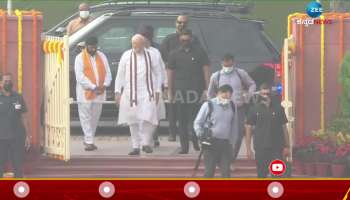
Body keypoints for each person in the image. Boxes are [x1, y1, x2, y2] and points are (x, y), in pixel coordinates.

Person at [115, 34, 162, 155]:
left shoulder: (152, 55)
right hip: (131, 93)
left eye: (138, 44)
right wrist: (117, 92)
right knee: (133, 120)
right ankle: (136, 146)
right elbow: (120, 74)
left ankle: (145, 143)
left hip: (148, 92)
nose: (135, 47)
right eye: (133, 44)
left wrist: (158, 90)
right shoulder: (126, 55)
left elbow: (158, 73)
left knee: (149, 117)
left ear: (143, 44)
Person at [167, 29, 210, 154]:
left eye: (187, 40)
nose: (185, 42)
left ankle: (196, 141)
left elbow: (206, 70)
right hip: (180, 91)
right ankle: (184, 146)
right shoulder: (174, 54)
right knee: (182, 119)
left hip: (196, 90)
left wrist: (207, 89)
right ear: (180, 39)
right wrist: (170, 91)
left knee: (197, 118)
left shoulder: (200, 52)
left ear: (191, 38)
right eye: (182, 40)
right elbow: (170, 73)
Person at [160, 14, 202, 142]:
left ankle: (191, 133)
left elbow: (200, 59)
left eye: (184, 22)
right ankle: (172, 133)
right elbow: (163, 61)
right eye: (179, 22)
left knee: (190, 108)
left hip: (190, 81)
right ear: (175, 23)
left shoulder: (194, 40)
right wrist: (167, 84)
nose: (181, 24)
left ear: (188, 24)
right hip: (174, 79)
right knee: (173, 107)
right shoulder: (169, 40)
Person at [207, 53, 256, 160]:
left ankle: (232, 158)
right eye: (225, 64)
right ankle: (224, 159)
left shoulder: (240, 73)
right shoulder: (216, 76)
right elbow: (210, 93)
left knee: (237, 136)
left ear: (233, 62)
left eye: (229, 65)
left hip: (238, 108)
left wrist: (248, 96)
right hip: (222, 109)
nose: (227, 67)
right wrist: (213, 106)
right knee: (224, 134)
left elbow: (252, 84)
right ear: (221, 63)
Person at [245, 83, 290, 178]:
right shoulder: (254, 109)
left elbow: (284, 128)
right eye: (263, 94)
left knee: (277, 174)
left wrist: (287, 146)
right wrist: (248, 149)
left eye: (267, 94)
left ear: (271, 94)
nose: (265, 96)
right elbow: (248, 129)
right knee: (262, 174)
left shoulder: (279, 108)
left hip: (277, 147)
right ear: (260, 95)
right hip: (261, 147)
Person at [74, 36, 112, 151]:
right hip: (85, 93)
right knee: (85, 117)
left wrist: (105, 85)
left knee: (95, 118)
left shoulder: (102, 56)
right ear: (86, 46)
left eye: (95, 46)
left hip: (99, 92)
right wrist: (93, 87)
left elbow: (108, 73)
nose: (93, 49)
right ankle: (89, 141)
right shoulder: (79, 58)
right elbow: (80, 77)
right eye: (91, 47)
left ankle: (89, 139)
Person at [194, 85, 239, 178]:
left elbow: (234, 126)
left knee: (226, 172)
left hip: (225, 144)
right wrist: (200, 134)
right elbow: (198, 122)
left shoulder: (232, 106)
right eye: (224, 95)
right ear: (218, 93)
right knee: (209, 172)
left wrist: (233, 143)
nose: (227, 97)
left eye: (229, 95)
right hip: (211, 143)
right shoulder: (209, 104)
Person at [139, 25, 167, 148]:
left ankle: (153, 136)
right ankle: (144, 140)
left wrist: (165, 86)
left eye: (147, 37)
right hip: (140, 89)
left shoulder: (156, 52)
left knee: (154, 114)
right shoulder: (135, 52)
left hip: (154, 89)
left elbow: (162, 70)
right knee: (142, 114)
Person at [0, 73, 30, 178]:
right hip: (1, 139)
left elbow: (24, 117)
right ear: (0, 83)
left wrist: (27, 135)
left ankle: (17, 190)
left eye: (9, 81)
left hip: (17, 138)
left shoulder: (18, 97)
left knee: (17, 166)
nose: (8, 83)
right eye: (5, 81)